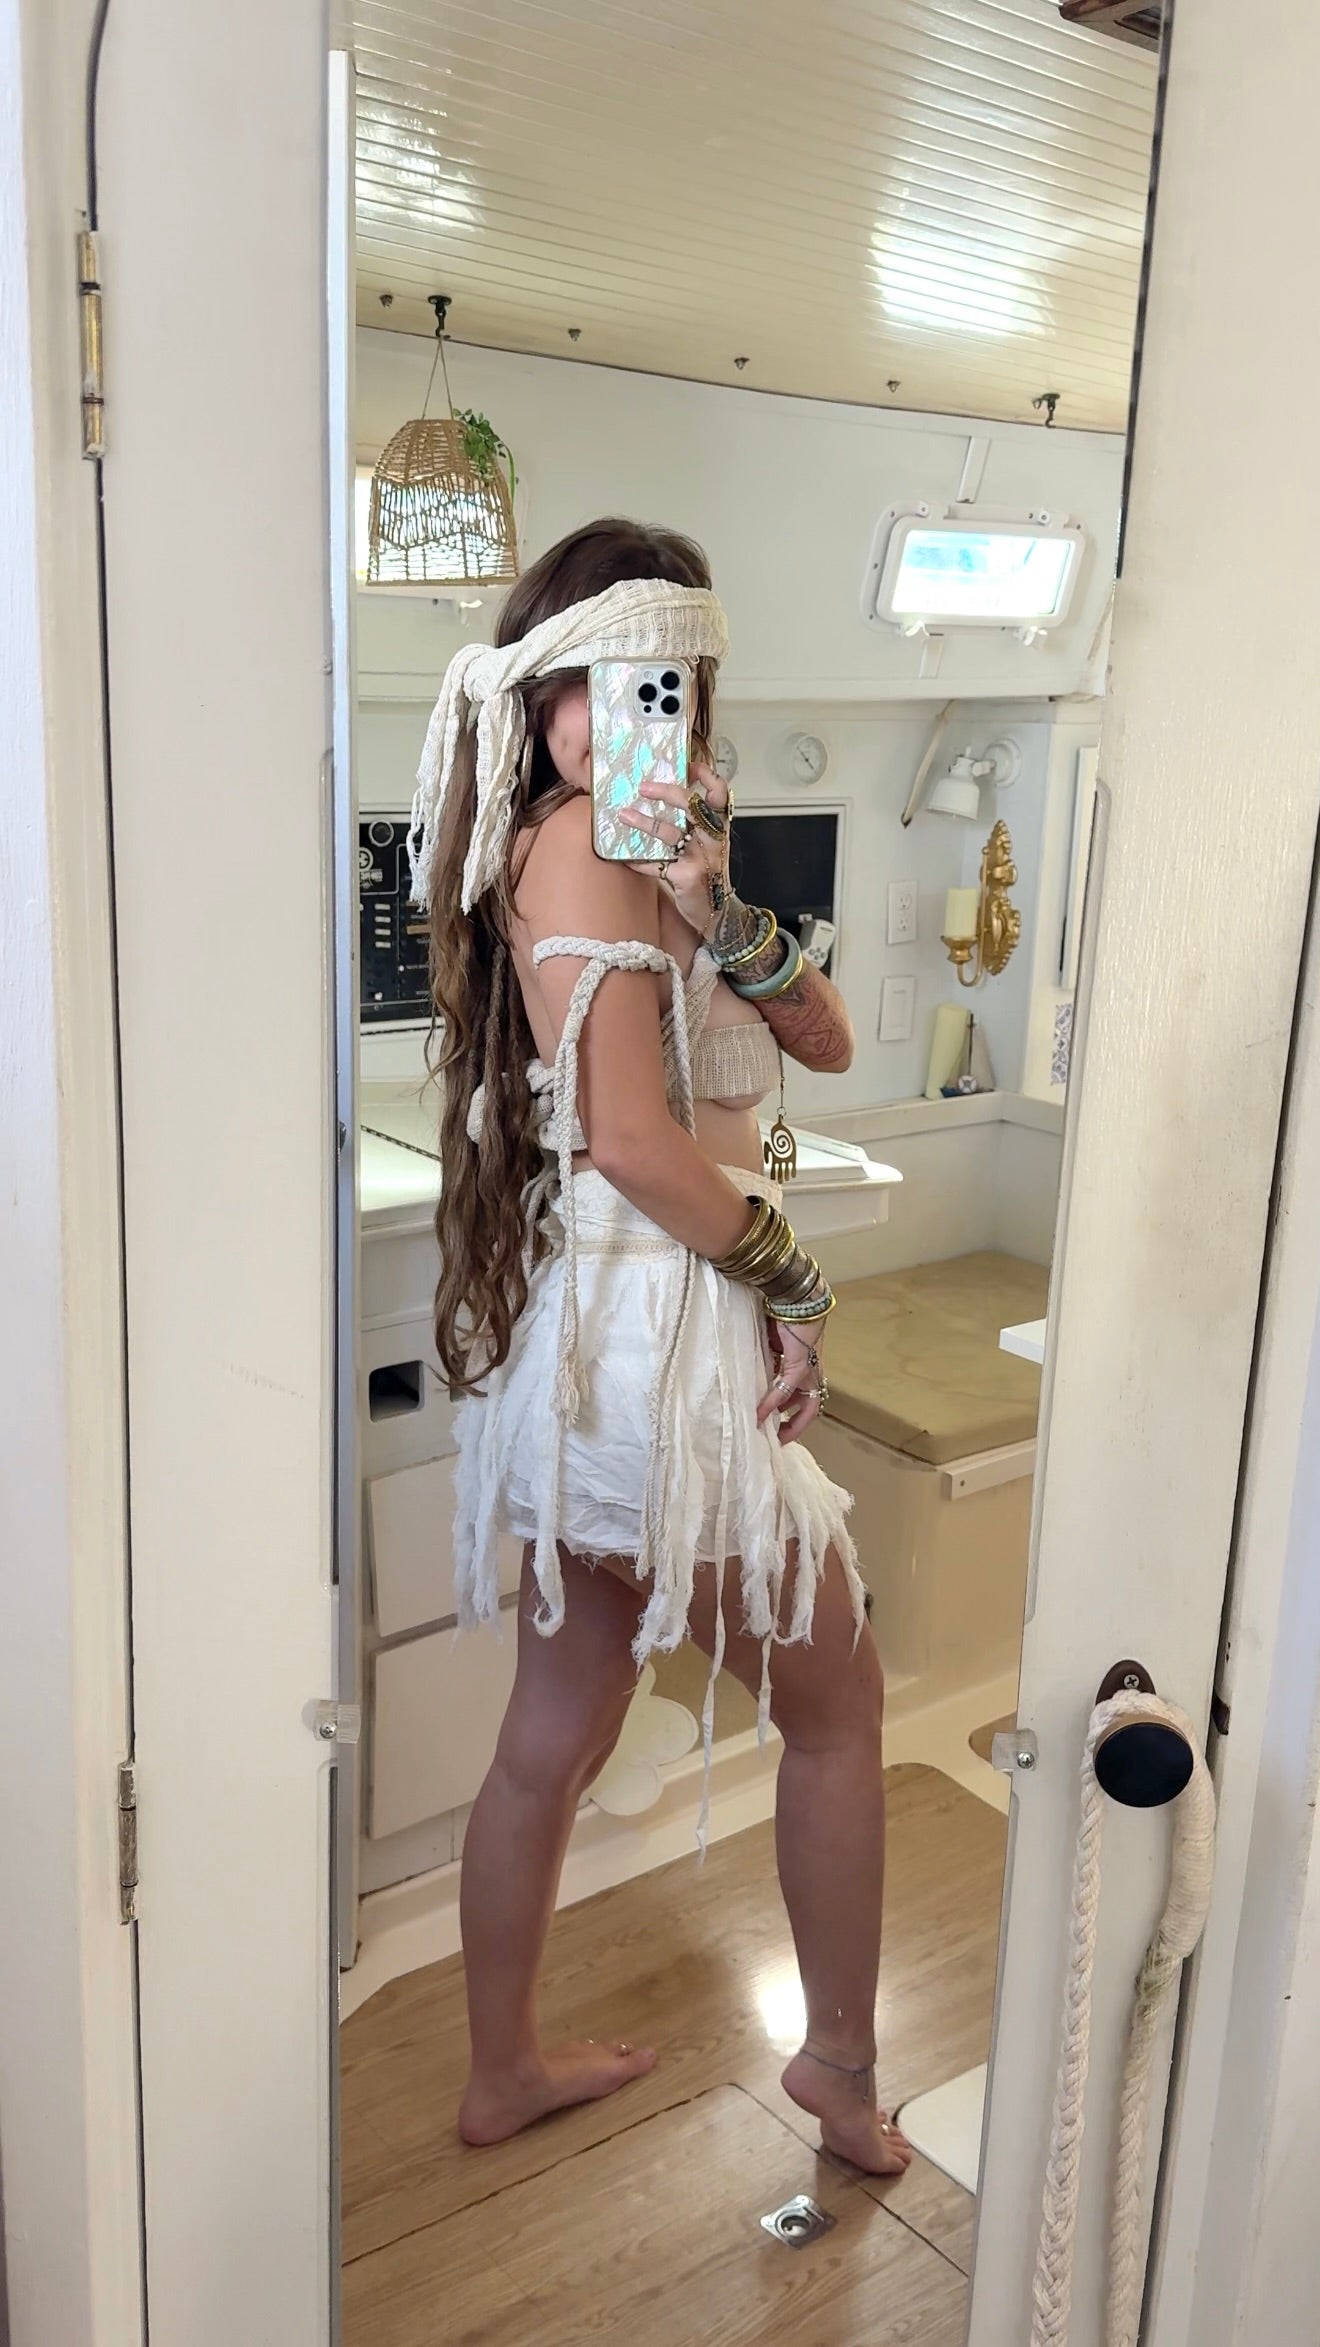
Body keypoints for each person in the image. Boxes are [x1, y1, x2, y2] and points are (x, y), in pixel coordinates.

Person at [410, 516, 911, 2177]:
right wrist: (795, 1282)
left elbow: (821, 1042)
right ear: (539, 684)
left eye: (666, 683)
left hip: (622, 1340)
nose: (626, 716)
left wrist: (718, 902)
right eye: (596, 680)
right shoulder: (578, 844)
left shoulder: (657, 846)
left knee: (558, 1726)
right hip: (662, 1336)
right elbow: (631, 1140)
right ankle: (837, 2067)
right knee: (837, 1702)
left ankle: (503, 2071)